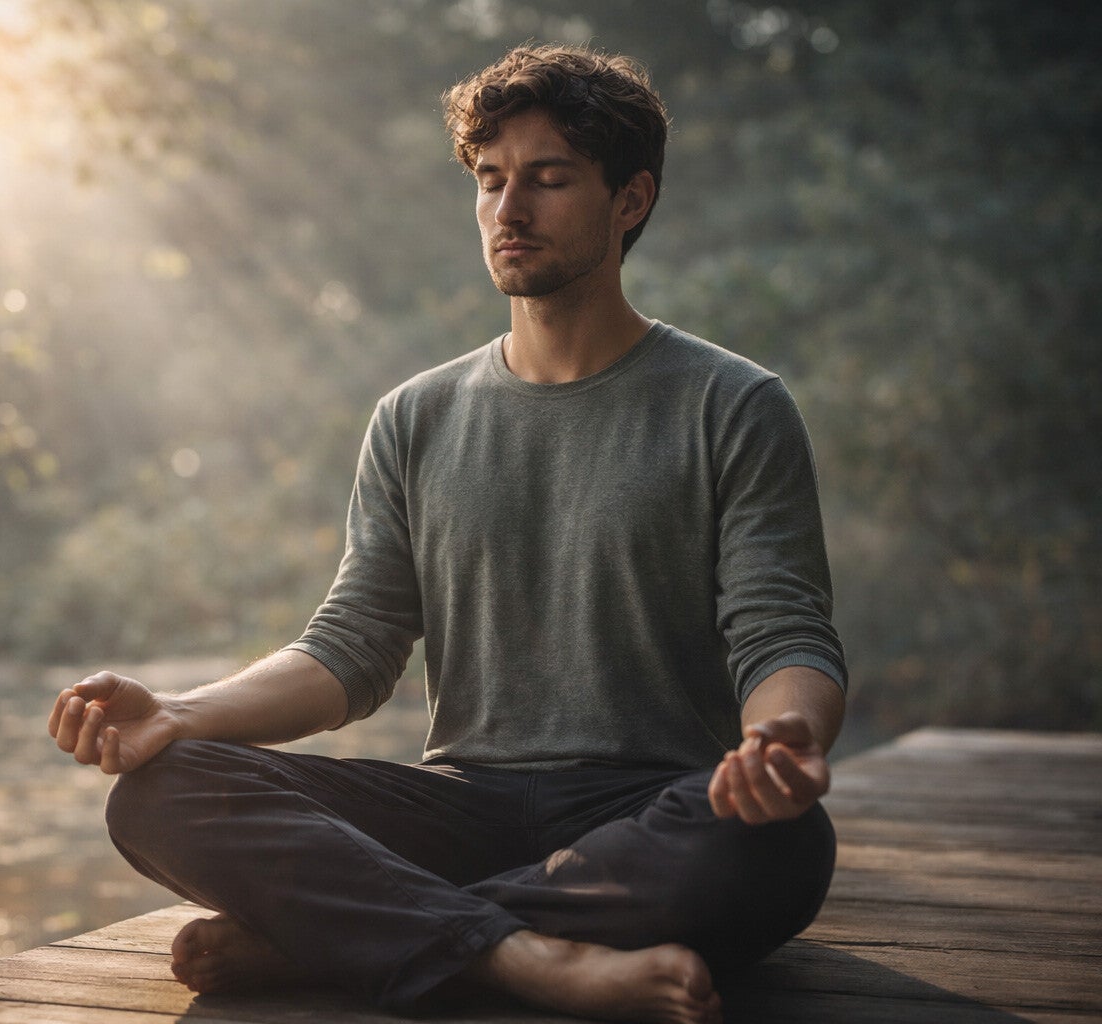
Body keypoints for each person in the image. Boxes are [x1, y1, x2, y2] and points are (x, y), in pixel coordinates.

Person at [47, 44, 845, 1024]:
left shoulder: (735, 404)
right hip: (460, 806)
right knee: (160, 794)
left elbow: (784, 631)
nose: (509, 212)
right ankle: (532, 958)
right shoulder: (415, 416)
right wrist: (176, 710)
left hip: (644, 809)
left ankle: (336, 941)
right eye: (490, 181)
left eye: (548, 180)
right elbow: (351, 649)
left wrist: (783, 738)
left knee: (781, 843)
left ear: (629, 200)